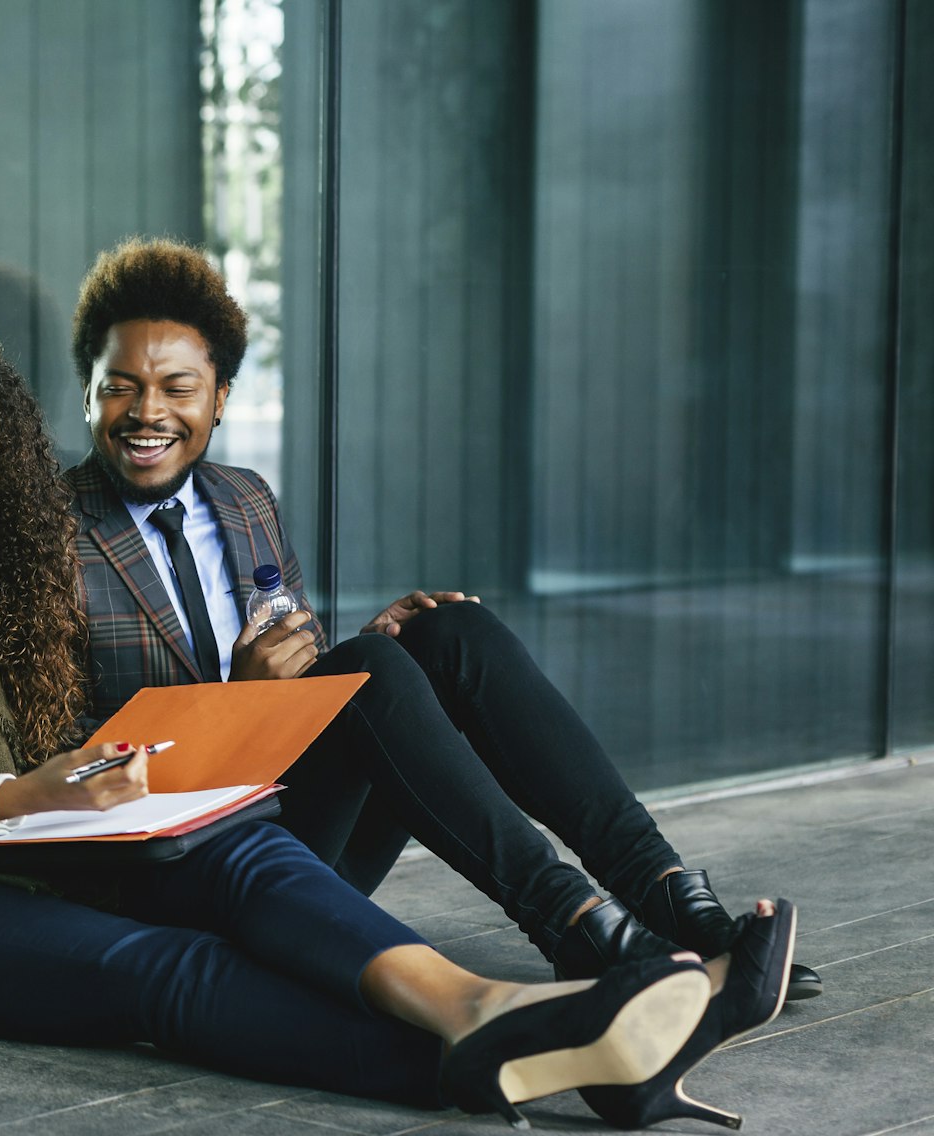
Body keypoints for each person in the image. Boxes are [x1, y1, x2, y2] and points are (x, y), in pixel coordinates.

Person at [0, 303, 797, 1129]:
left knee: (233, 844)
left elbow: (36, 747)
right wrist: (25, 791)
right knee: (150, 971)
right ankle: (519, 1044)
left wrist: (81, 783)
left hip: (6, 850)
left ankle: (494, 1006)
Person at [64, 238, 819, 998]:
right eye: (121, 387)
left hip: (303, 833)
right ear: (87, 396)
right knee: (375, 667)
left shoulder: (244, 498)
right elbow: (63, 766)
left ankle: (663, 891)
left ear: (220, 396)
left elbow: (306, 670)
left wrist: (371, 650)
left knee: (446, 633)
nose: (148, 412)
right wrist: (240, 702)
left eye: (178, 386)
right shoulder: (48, 536)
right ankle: (574, 921)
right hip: (190, 871)